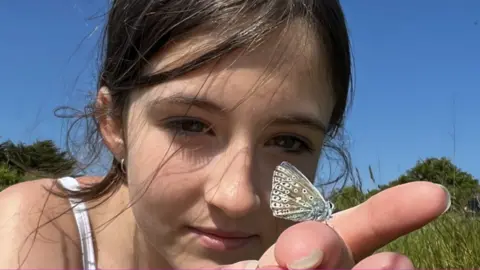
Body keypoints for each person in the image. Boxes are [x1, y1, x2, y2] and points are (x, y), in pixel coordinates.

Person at [0, 0, 450, 269]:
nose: (237, 198)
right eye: (190, 125)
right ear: (113, 124)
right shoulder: (31, 236)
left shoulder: (299, 251)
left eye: (289, 141)